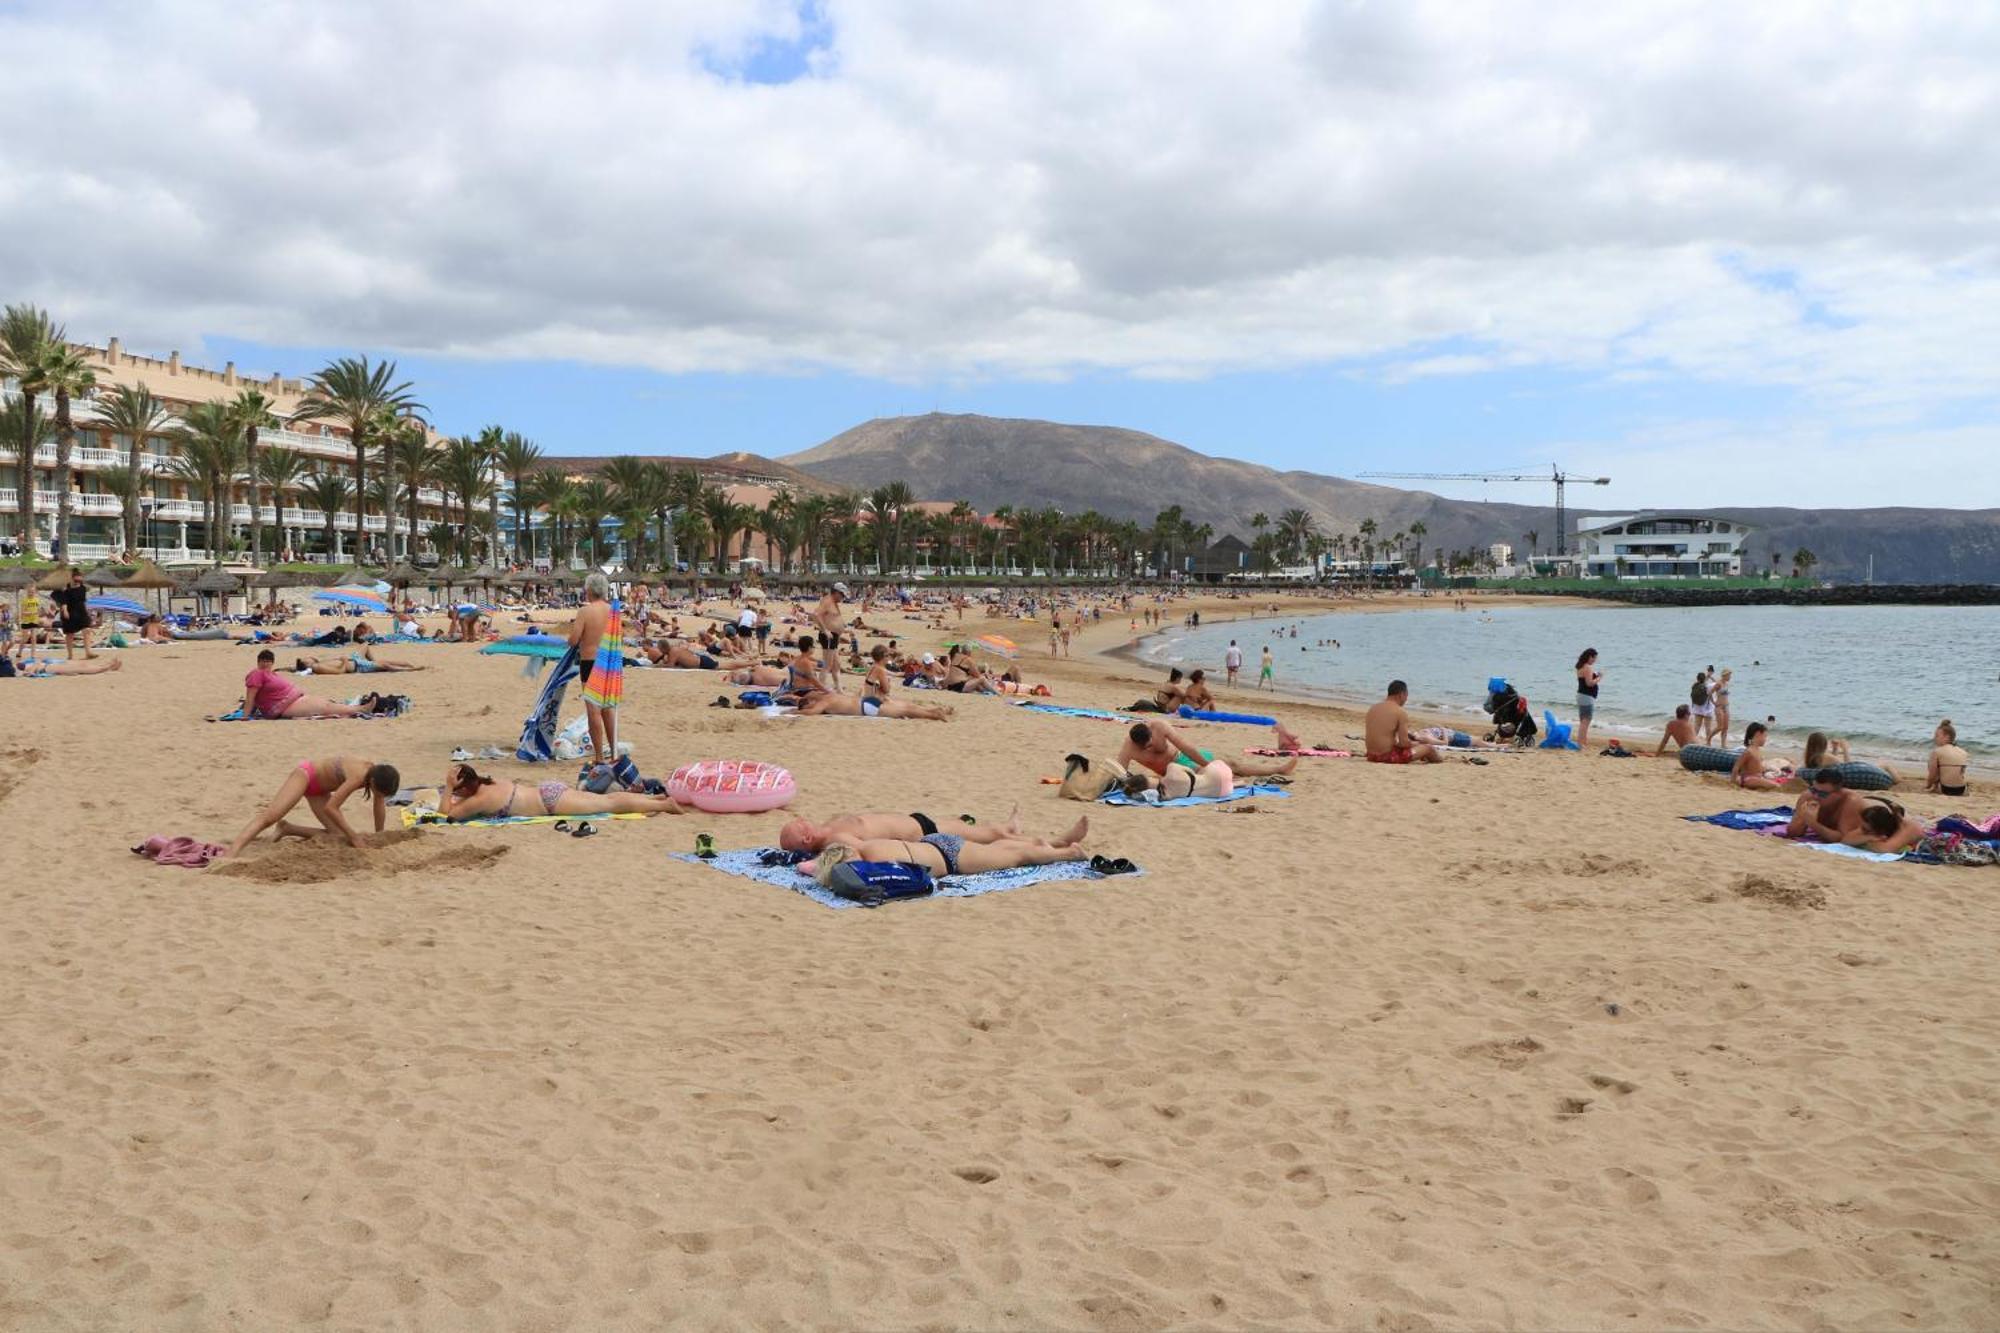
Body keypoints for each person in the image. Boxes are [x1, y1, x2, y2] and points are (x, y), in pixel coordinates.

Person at [221, 755, 401, 857]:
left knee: (337, 835)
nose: (379, 797)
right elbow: (331, 808)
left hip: (319, 790)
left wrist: (380, 836)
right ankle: (233, 850)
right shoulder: (358, 776)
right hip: (306, 776)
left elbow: (379, 806)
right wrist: (354, 837)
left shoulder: (377, 777)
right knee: (270, 816)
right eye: (378, 793)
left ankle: (287, 828)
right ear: (373, 781)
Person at [806, 826, 1089, 883]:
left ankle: (1068, 853)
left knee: (1016, 858)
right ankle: (1052, 842)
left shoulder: (871, 866)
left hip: (949, 857)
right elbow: (814, 864)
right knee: (998, 851)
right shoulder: (867, 847)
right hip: (936, 843)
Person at [780, 808, 1087, 854]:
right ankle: (1059, 843)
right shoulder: (835, 838)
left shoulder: (830, 826)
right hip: (922, 837)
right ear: (806, 838)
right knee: (995, 839)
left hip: (919, 821)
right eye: (799, 825)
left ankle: (1010, 826)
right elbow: (860, 852)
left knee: (986, 829)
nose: (802, 818)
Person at [441, 763, 686, 820]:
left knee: (609, 804)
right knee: (606, 799)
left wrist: (449, 788)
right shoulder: (490, 783)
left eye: (456, 789)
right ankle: (653, 798)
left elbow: (446, 816)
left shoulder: (480, 799)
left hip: (552, 803)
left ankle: (664, 806)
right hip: (550, 791)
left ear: (465, 787)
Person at [1119, 720, 1297, 777]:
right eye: (1146, 747)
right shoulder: (1129, 746)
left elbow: (1186, 746)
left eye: (1151, 743)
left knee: (1231, 764)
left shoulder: (1159, 727)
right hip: (1175, 770)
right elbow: (1119, 771)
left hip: (1181, 757)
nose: (1150, 747)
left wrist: (1206, 763)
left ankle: (1278, 769)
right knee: (1215, 774)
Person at [241, 648, 376, 718]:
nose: (265, 664)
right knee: (325, 707)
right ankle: (360, 709)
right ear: (258, 662)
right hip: (285, 706)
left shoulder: (270, 673)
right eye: (262, 661)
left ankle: (355, 709)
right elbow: (250, 698)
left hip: (293, 700)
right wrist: (245, 717)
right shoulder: (256, 674)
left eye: (268, 661)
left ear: (272, 663)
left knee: (327, 703)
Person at [567, 573, 615, 768]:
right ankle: (614, 752)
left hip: (591, 662)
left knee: (594, 711)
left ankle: (599, 757)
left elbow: (574, 640)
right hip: (610, 663)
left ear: (589, 590)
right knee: (608, 709)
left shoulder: (585, 612)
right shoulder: (613, 611)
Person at [1363, 680, 1441, 764]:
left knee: (1416, 746)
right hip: (1386, 757)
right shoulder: (1400, 712)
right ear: (1401, 695)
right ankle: (1439, 760)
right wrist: (1417, 743)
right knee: (1429, 748)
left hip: (1371, 755)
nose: (1406, 700)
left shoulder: (1373, 708)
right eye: (1406, 696)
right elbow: (1404, 743)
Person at [1785, 766, 1864, 841]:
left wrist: (1813, 824)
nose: (1815, 796)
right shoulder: (1808, 795)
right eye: (1814, 790)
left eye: (1822, 794)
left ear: (1839, 792)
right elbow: (1792, 833)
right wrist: (1803, 819)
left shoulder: (1851, 801)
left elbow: (1844, 839)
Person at [797, 691, 953, 720]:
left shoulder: (824, 702)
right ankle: (933, 711)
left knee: (904, 710)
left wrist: (794, 711)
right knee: (905, 707)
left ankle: (934, 715)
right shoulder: (828, 696)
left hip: (867, 708)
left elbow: (812, 713)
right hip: (867, 701)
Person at [1728, 721, 1790, 791]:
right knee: (1776, 785)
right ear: (1758, 734)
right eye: (1765, 736)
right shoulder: (1749, 751)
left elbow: (1757, 767)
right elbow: (1737, 766)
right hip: (1748, 779)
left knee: (1777, 781)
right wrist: (1732, 782)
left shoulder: (1757, 750)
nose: (1765, 739)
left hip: (1757, 777)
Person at [1846, 799, 1925, 854]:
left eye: (1867, 830)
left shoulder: (1907, 828)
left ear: (1881, 830)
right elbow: (1846, 840)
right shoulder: (1869, 825)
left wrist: (1863, 842)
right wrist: (1869, 838)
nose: (1863, 831)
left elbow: (1885, 849)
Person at [811, 583, 849, 693]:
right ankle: (821, 688)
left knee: (837, 665)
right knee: (827, 665)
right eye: (842, 595)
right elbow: (815, 615)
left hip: (834, 636)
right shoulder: (827, 601)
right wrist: (825, 630)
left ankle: (839, 688)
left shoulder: (833, 602)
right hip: (828, 636)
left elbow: (831, 617)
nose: (843, 598)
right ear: (836, 592)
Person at [53, 567, 94, 660]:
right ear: (72, 578)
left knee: (87, 630)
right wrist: (65, 610)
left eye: (80, 579)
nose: (78, 582)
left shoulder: (83, 588)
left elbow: (83, 601)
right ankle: (70, 655)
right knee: (70, 634)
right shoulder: (65, 589)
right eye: (76, 579)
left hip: (81, 611)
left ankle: (88, 652)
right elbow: (63, 601)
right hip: (70, 611)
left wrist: (88, 612)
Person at [294, 646, 425, 674]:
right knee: (386, 664)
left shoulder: (316, 662)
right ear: (307, 663)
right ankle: (410, 669)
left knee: (365, 645)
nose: (309, 656)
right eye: (307, 658)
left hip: (355, 660)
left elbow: (294, 668)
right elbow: (339, 672)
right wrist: (345, 661)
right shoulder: (317, 667)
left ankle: (375, 662)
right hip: (357, 666)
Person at [1926, 720, 1969, 797]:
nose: (1934, 738)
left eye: (1937, 736)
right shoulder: (1963, 752)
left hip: (1945, 789)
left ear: (1947, 737)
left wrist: (1928, 785)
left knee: (1932, 763)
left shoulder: (1937, 752)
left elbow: (1932, 774)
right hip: (1962, 789)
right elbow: (1961, 773)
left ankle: (1935, 787)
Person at [1574, 648, 1601, 748]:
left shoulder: (1580, 667)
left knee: (1583, 721)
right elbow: (1589, 683)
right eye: (1594, 658)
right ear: (1590, 657)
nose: (1594, 661)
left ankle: (1582, 742)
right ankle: (1581, 744)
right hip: (1586, 696)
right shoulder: (1588, 667)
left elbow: (1584, 680)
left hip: (1581, 695)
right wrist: (1599, 678)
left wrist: (1595, 676)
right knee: (1586, 721)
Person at [8, 655, 123, 678]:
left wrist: (38, 660)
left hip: (49, 664)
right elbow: (29, 673)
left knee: (81, 664)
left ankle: (106, 665)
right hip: (47, 668)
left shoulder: (13, 665)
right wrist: (37, 663)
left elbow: (37, 659)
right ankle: (106, 668)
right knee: (81, 668)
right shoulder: (14, 671)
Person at [1689, 671, 1716, 742]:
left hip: (1697, 709)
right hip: (1707, 710)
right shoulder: (1708, 686)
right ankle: (1708, 743)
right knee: (1708, 727)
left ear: (1697, 679)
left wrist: (1706, 677)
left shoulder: (1694, 686)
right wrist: (1710, 677)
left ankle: (1692, 741)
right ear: (1704, 679)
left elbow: (1700, 682)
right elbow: (1717, 683)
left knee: (1697, 727)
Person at [1711, 668, 1733, 746]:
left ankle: (1723, 744)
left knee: (1726, 727)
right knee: (1720, 727)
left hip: (1726, 706)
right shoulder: (1718, 684)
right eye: (1729, 675)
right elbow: (1710, 693)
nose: (1730, 677)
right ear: (1725, 675)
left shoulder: (1726, 684)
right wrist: (1713, 703)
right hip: (1719, 707)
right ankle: (1709, 738)